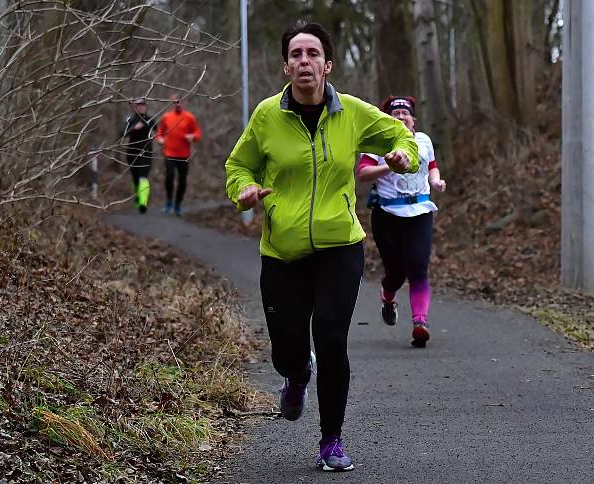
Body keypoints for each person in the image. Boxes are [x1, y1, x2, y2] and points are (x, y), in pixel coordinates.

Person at [224, 22, 418, 472]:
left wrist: (404, 154)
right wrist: (246, 189)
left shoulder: (351, 112)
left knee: (331, 338)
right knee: (286, 348)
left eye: (313, 53)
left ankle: (331, 440)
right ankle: (295, 373)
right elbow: (238, 165)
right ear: (286, 66)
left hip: (338, 245)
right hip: (283, 252)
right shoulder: (267, 116)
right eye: (296, 54)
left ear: (327, 64)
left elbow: (401, 136)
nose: (304, 61)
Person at [357, 96, 447, 348]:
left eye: (405, 113)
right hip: (387, 215)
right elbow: (363, 173)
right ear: (386, 119)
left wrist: (435, 181)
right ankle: (388, 296)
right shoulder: (377, 143)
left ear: (413, 119)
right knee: (395, 272)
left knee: (418, 266)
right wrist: (389, 166)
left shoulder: (423, 141)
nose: (400, 116)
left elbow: (432, 165)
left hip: (420, 211)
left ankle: (420, 324)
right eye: (395, 113)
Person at [156, 94, 202, 216]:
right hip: (169, 153)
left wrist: (192, 136)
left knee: (182, 181)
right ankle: (169, 200)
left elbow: (198, 134)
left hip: (183, 155)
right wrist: (160, 139)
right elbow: (159, 133)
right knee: (169, 178)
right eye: (175, 102)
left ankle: (178, 204)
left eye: (180, 102)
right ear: (172, 103)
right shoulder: (166, 117)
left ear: (184, 102)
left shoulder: (189, 118)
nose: (178, 104)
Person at [120, 97, 156, 213]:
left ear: (145, 107)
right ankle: (138, 195)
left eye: (143, 105)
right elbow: (122, 133)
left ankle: (143, 202)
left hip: (146, 153)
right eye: (139, 105)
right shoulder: (130, 120)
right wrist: (133, 128)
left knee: (143, 177)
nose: (141, 107)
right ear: (136, 108)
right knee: (136, 177)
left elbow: (159, 131)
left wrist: (161, 138)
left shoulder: (150, 119)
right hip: (132, 153)